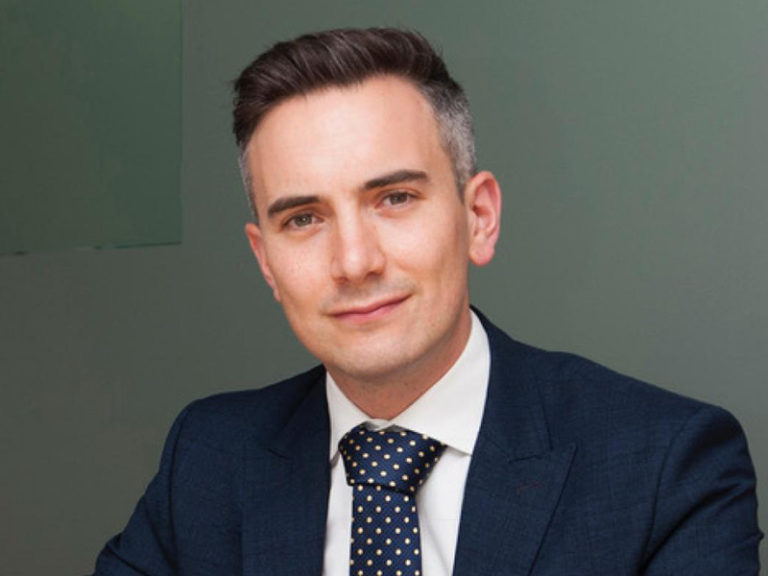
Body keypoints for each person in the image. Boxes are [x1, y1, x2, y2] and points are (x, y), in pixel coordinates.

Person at [93, 28, 762, 575]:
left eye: (394, 199)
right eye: (303, 218)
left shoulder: (666, 466)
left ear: (479, 218)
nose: (354, 262)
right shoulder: (209, 459)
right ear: (266, 260)